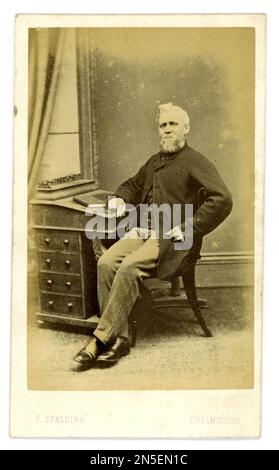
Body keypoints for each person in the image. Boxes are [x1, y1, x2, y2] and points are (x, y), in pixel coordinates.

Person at [73, 102, 233, 368]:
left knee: (129, 266)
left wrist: (188, 227)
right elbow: (132, 184)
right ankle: (120, 339)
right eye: (163, 125)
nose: (168, 130)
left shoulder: (196, 161)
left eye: (173, 124)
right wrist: (121, 199)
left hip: (175, 238)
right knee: (105, 263)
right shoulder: (155, 159)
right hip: (145, 229)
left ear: (186, 128)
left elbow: (223, 199)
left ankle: (99, 340)